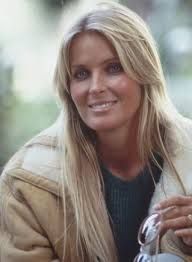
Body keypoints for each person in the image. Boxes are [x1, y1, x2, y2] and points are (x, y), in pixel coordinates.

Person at [0, 1, 192, 261]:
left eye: (113, 68)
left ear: (144, 71)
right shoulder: (26, 182)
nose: (96, 87)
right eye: (81, 74)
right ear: (68, 88)